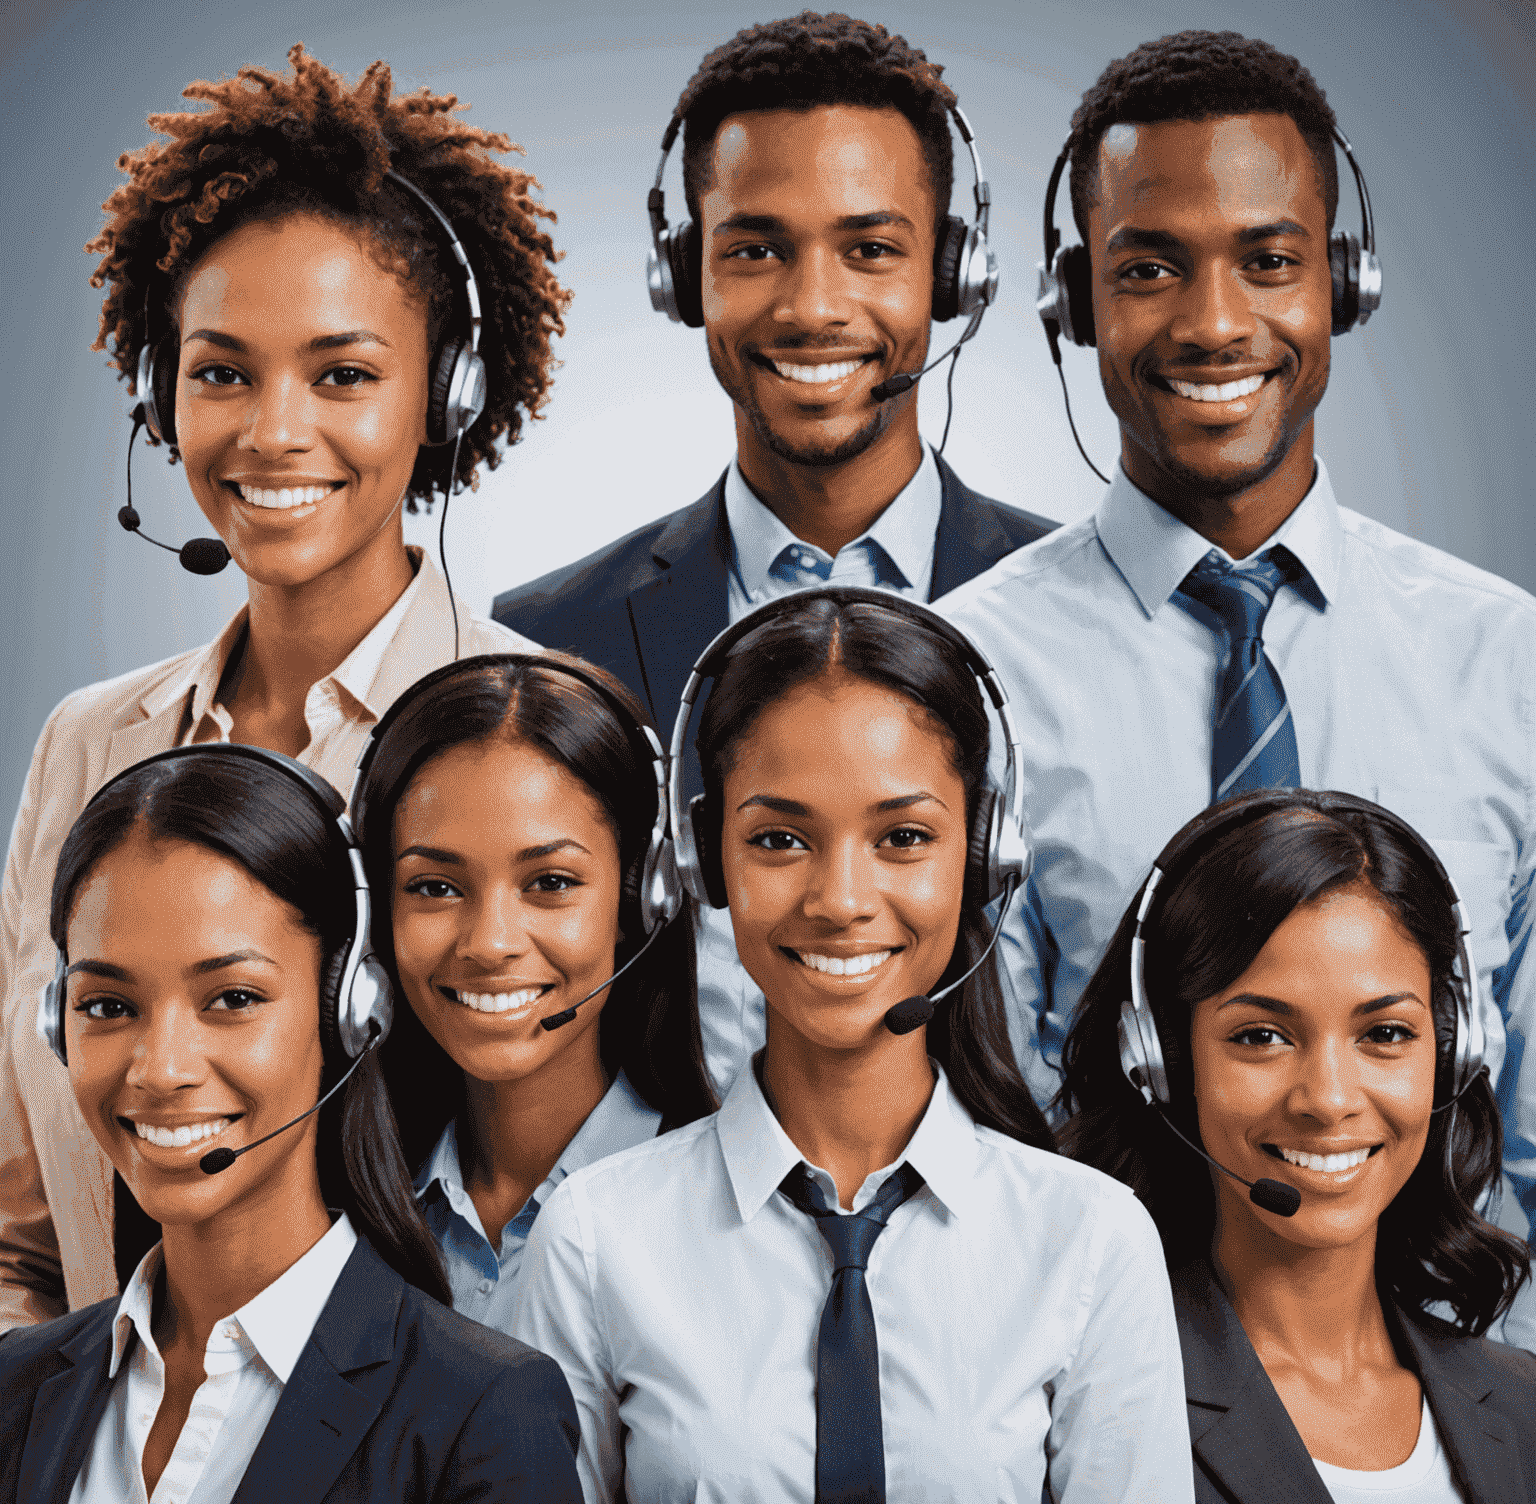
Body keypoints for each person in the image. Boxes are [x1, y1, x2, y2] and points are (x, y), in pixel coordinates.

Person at [936, 30, 1536, 1344]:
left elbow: (1534, 1149)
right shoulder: (957, 683)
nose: (1215, 324)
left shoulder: (1511, 668)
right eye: (1150, 269)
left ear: (1346, 284)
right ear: (1075, 300)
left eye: (1270, 263)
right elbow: (984, 1149)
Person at [0, 45, 570, 1331]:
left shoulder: (551, 741)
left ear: (449, 395)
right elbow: (27, 1238)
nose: (271, 430)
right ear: (161, 393)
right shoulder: (88, 748)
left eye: (344, 373)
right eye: (221, 371)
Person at [512, 588, 1194, 1503]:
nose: (839, 899)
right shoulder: (595, 1242)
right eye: (781, 838)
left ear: (985, 853)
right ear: (706, 859)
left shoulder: (1089, 1243)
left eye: (903, 837)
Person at [492, 11, 1054, 1096]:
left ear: (952, 273)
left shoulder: (1088, 619)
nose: (812, 306)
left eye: (871, 249)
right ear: (680, 273)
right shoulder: (547, 643)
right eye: (754, 249)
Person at [0, 746, 582, 1502]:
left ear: (349, 1012)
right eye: (108, 1007)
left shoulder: (478, 1414)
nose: (160, 1068)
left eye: (233, 998)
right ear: (57, 1022)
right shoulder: (18, 1388)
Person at [1056, 790, 1536, 1502]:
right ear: (1163, 1064)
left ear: (1458, 1052)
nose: (1329, 1099)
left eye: (1386, 1034)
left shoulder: (1522, 1406)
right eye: (1261, 1037)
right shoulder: (1094, 1394)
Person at [351, 652, 716, 1327]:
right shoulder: (335, 1221)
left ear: (645, 898)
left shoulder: (729, 1219)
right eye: (435, 887)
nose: (490, 943)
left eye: (550, 883)